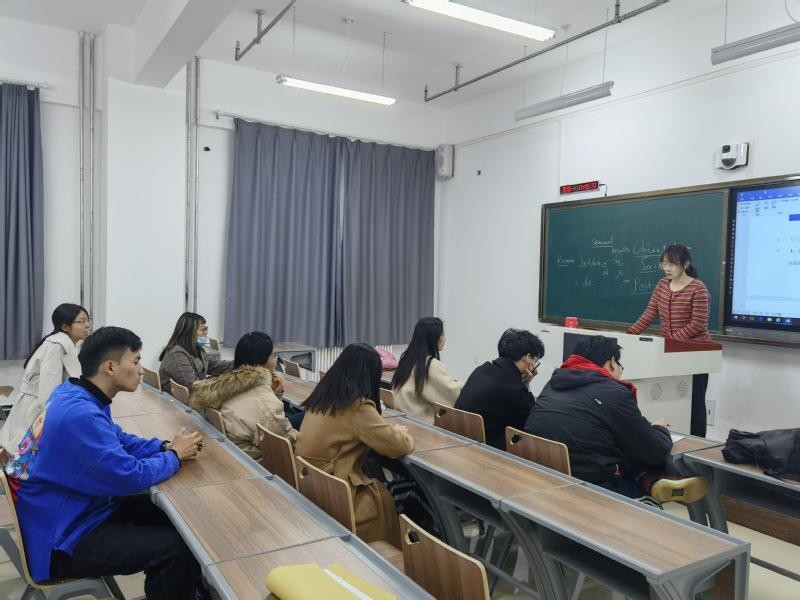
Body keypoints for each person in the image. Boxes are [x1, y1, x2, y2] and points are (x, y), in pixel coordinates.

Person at [6, 326, 206, 600]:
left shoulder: (76, 393)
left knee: (180, 521)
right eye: (136, 361)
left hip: (79, 509)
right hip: (62, 539)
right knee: (172, 550)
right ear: (110, 367)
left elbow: (119, 439)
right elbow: (129, 476)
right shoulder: (80, 414)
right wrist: (173, 457)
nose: (141, 369)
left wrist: (164, 447)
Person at [525, 335, 705, 503]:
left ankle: (650, 481)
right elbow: (655, 450)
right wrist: (660, 428)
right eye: (620, 367)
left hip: (541, 478)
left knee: (620, 447)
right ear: (612, 362)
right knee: (641, 465)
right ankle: (652, 481)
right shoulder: (613, 392)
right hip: (588, 487)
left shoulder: (553, 383)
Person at [295, 344, 414, 547]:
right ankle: (404, 546)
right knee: (402, 489)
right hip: (337, 491)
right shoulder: (357, 407)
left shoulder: (323, 395)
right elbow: (398, 446)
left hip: (309, 482)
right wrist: (402, 433)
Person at [627, 244, 711, 436]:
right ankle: (673, 436)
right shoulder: (662, 285)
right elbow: (650, 313)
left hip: (696, 353)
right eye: (664, 264)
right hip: (669, 351)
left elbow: (698, 324)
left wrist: (671, 340)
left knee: (695, 401)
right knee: (672, 398)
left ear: (685, 264)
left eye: (671, 264)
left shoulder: (698, 288)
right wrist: (630, 334)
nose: (667, 268)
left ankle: (699, 442)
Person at [0, 303, 91, 456]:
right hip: (36, 406)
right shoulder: (57, 346)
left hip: (37, 403)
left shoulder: (65, 343)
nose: (87, 325)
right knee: (27, 451)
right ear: (65, 327)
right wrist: (51, 420)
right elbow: (49, 390)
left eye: (87, 320)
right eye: (81, 321)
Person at [190, 331, 296, 459]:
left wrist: (274, 394)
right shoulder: (263, 401)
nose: (276, 360)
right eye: (274, 355)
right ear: (261, 360)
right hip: (260, 463)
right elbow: (287, 441)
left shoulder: (227, 386)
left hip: (236, 453)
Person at [455, 328, 544, 450]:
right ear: (528, 358)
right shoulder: (514, 388)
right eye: (535, 360)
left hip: (457, 441)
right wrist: (527, 386)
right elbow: (532, 423)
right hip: (485, 451)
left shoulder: (481, 369)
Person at [391, 317, 463, 424]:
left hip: (402, 419)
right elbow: (453, 393)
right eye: (442, 335)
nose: (444, 338)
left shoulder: (407, 359)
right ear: (434, 338)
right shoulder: (430, 365)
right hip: (420, 425)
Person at [158, 312, 232, 391]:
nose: (206, 333)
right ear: (189, 332)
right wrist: (220, 382)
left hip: (190, 394)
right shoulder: (177, 354)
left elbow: (214, 365)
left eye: (206, 329)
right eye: (203, 329)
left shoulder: (197, 349)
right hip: (177, 398)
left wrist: (238, 362)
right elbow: (193, 386)